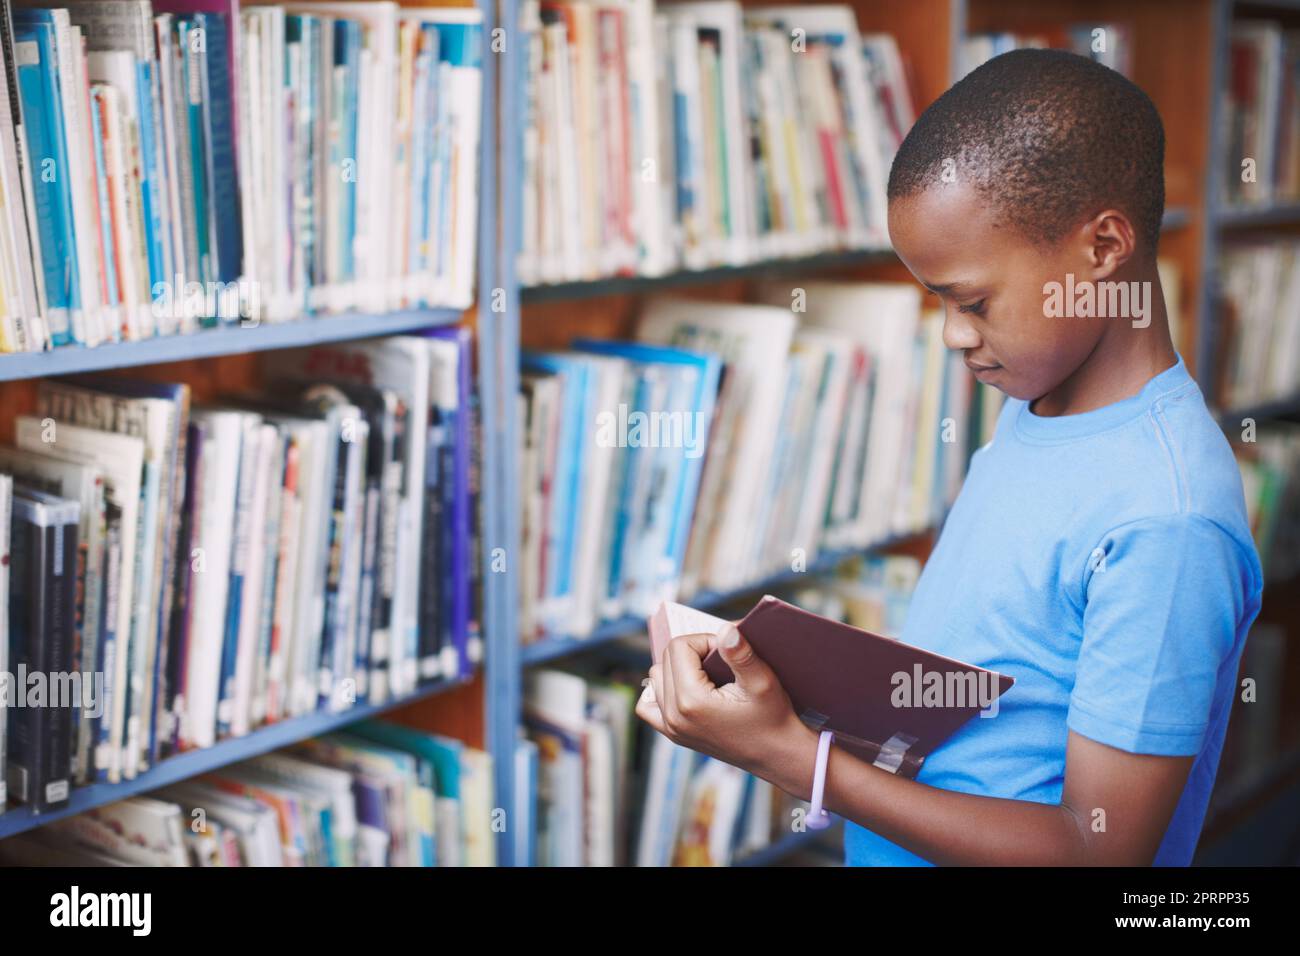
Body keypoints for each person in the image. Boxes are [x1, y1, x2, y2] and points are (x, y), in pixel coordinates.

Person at [635, 48, 1263, 866]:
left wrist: (791, 757)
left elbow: (1095, 852)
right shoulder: (1034, 408)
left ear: (1103, 247)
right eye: (937, 301)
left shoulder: (1168, 519)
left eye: (972, 301)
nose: (953, 335)